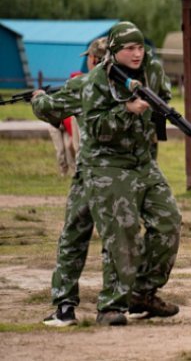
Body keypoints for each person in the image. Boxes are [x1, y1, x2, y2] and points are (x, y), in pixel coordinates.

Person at [77, 21, 180, 326]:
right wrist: (127, 110)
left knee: (168, 223)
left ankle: (143, 294)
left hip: (143, 161)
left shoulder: (152, 69)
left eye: (140, 48)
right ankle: (111, 305)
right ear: (114, 51)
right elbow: (94, 128)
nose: (137, 54)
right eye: (129, 49)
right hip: (107, 164)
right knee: (122, 233)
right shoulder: (96, 81)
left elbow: (163, 95)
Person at [33, 37, 107, 327]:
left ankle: (65, 307)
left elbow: (48, 109)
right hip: (120, 175)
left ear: (93, 60)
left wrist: (38, 97)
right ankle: (115, 305)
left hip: (88, 173)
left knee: (73, 238)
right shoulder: (122, 88)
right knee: (115, 241)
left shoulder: (84, 86)